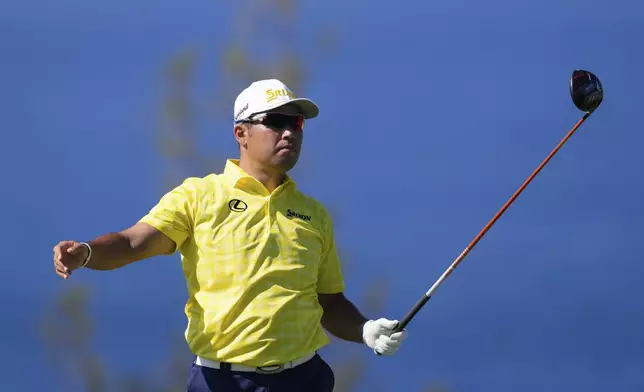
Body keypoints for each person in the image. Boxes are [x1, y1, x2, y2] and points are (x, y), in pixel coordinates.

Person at [52, 79, 408, 392]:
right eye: (275, 121)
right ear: (241, 133)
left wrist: (364, 330)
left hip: (304, 379)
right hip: (220, 382)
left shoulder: (314, 214)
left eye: (296, 123)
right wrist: (86, 252)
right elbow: (133, 242)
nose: (289, 132)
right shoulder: (199, 196)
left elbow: (328, 302)